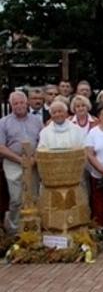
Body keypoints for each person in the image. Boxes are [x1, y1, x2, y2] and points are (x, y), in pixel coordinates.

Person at [0, 91, 44, 233]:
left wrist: (34, 159)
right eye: (15, 103)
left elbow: (42, 141)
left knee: (34, 195)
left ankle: (35, 228)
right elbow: (1, 147)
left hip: (33, 162)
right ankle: (15, 229)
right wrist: (20, 160)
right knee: (16, 198)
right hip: (14, 162)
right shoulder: (3, 122)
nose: (19, 106)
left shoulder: (37, 120)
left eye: (21, 102)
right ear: (11, 105)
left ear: (27, 103)